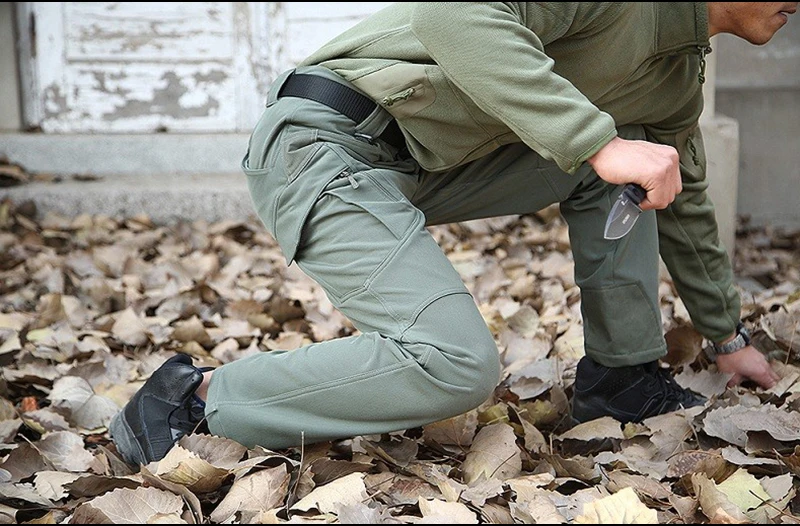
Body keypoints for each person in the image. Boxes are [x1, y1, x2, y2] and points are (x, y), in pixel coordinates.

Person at [110, 2, 793, 466]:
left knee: (634, 163)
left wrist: (726, 336)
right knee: (455, 363)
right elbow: (454, 12)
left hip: (423, 166)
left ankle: (622, 379)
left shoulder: (675, 71)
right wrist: (594, 140)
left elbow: (684, 196)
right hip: (325, 145)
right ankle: (191, 399)